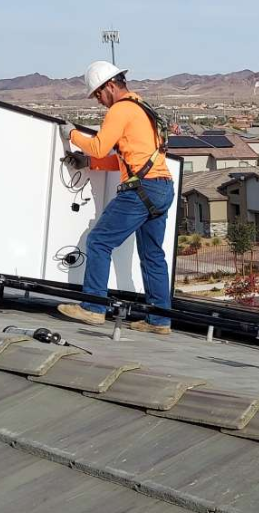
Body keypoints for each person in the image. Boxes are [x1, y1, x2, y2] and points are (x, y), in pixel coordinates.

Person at [57, 61, 175, 335]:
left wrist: (72, 134)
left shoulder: (120, 110)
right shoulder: (143, 108)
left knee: (98, 241)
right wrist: (89, 162)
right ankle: (160, 320)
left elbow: (100, 146)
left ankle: (94, 307)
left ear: (111, 85)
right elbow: (126, 160)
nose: (98, 100)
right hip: (161, 188)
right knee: (153, 255)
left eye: (98, 94)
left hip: (140, 190)